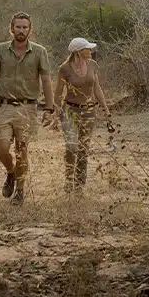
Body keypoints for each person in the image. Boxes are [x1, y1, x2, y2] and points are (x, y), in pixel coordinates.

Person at [0, 12, 54, 205]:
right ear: (12, 28)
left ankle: (20, 191)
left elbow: (47, 80)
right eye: (18, 27)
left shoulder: (40, 52)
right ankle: (10, 172)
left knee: (22, 150)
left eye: (25, 27)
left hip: (27, 107)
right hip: (5, 105)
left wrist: (49, 108)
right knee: (2, 148)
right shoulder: (0, 49)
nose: (21, 30)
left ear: (30, 30)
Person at [53, 37, 113, 194]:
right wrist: (55, 113)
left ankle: (79, 185)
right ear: (79, 52)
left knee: (83, 149)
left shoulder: (93, 65)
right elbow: (58, 92)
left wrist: (105, 108)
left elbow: (97, 88)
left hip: (89, 111)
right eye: (87, 48)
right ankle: (69, 179)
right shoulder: (64, 69)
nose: (90, 50)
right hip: (70, 111)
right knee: (72, 146)